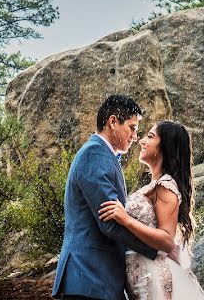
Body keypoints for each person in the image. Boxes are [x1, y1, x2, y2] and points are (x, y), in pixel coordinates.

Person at [52, 95, 158, 300]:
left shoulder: (101, 154)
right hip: (89, 278)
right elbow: (109, 222)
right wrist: (155, 248)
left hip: (95, 279)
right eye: (132, 127)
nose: (135, 136)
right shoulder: (95, 154)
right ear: (112, 122)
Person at [98, 121, 204, 300]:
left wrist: (126, 220)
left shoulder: (166, 186)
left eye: (150, 136)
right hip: (141, 278)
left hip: (156, 279)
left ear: (165, 145)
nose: (140, 141)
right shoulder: (154, 186)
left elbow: (166, 240)